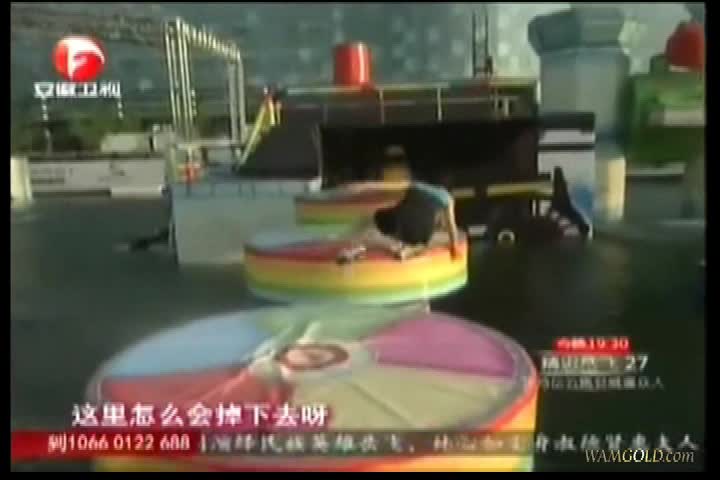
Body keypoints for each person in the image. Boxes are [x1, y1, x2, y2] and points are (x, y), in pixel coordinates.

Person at [336, 145, 461, 264]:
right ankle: (409, 251)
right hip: (418, 233)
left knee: (372, 220)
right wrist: (454, 248)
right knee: (427, 240)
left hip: (396, 222)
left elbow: (382, 186)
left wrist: (360, 186)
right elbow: (452, 226)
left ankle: (357, 248)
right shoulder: (448, 199)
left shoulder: (416, 185)